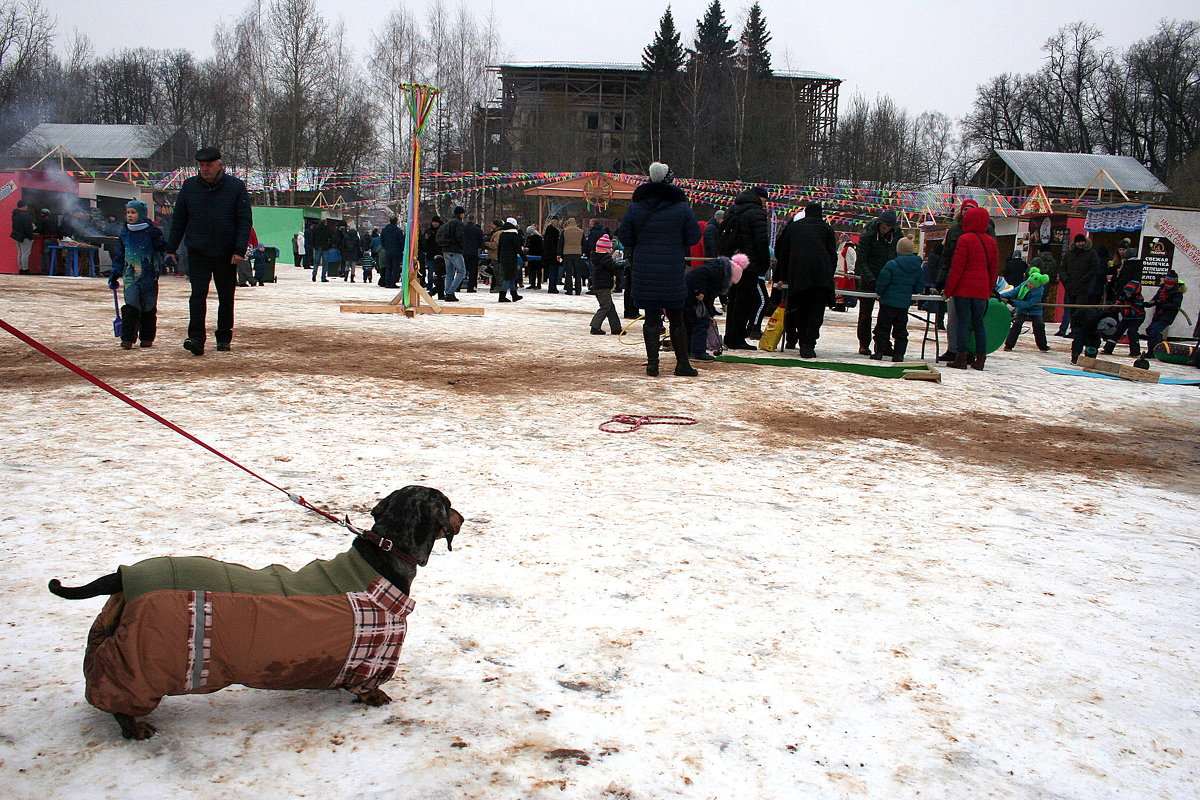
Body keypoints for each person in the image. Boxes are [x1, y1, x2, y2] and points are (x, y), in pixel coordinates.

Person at [616, 161, 702, 377]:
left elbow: (624, 236)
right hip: (672, 268)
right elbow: (693, 236)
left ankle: (653, 364)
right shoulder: (681, 207)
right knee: (677, 318)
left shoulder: (636, 207)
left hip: (645, 268)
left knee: (651, 318)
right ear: (670, 181)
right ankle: (682, 364)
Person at [165, 147, 252, 355]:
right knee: (197, 295)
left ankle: (223, 336)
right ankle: (196, 338)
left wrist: (239, 250)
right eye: (202, 166)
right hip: (198, 251)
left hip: (226, 253)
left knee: (226, 296)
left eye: (209, 165)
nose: (205, 169)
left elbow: (244, 220)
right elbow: (179, 220)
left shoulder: (235, 187)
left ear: (219, 165)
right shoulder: (189, 187)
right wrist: (171, 248)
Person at [773, 203, 837, 358]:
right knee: (816, 312)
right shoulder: (826, 229)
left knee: (800, 310)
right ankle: (809, 343)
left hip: (799, 276)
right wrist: (829, 274)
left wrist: (783, 275)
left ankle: (802, 341)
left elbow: (780, 252)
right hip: (821, 277)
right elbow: (832, 255)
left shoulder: (793, 228)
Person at [943, 204, 999, 370]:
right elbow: (993, 269)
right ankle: (980, 359)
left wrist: (949, 289)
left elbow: (957, 267)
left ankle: (961, 357)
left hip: (963, 288)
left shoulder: (964, 239)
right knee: (979, 324)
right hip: (981, 289)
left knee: (962, 323)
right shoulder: (991, 242)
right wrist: (989, 289)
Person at [108, 200, 167, 349]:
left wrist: (169, 258)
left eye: (133, 212)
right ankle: (128, 338)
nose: (129, 216)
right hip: (130, 276)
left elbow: (163, 248)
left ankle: (147, 337)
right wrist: (115, 273)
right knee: (131, 305)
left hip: (149, 275)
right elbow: (120, 255)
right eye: (128, 212)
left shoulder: (152, 231)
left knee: (148, 306)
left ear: (141, 214)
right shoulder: (125, 232)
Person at [721, 186, 771, 350]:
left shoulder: (734, 209)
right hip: (749, 263)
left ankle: (731, 335)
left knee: (734, 300)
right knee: (744, 301)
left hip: (733, 261)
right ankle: (737, 337)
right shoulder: (756, 213)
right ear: (760, 198)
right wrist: (764, 263)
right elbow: (761, 241)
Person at [870, 236, 926, 362]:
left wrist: (880, 292)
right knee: (901, 330)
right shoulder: (918, 267)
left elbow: (882, 282)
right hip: (903, 304)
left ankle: (879, 351)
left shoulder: (891, 264)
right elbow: (919, 286)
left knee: (883, 327)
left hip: (888, 303)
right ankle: (899, 354)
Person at [854, 210, 902, 356]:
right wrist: (871, 279)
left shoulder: (897, 234)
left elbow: (898, 255)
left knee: (887, 314)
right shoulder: (868, 234)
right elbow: (862, 260)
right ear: (879, 223)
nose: (885, 230)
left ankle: (883, 343)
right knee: (865, 313)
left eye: (889, 227)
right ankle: (864, 343)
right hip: (869, 277)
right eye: (884, 226)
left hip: (888, 278)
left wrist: (892, 276)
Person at [685, 254, 740, 361]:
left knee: (692, 323)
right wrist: (699, 291)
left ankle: (688, 350)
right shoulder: (715, 271)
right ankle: (697, 352)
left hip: (689, 296)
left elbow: (709, 300)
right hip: (691, 296)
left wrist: (710, 315)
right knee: (700, 323)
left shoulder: (716, 271)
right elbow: (700, 275)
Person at [1058, 234, 1100, 336]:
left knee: (1080, 310)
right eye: (1078, 242)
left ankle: (1078, 331)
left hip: (1084, 287)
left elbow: (1094, 269)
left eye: (1082, 242)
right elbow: (1063, 268)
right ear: (1075, 243)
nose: (1080, 244)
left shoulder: (1091, 253)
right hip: (1070, 287)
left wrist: (1084, 280)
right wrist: (1066, 281)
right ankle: (1073, 330)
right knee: (1071, 310)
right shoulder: (1069, 254)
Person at [1000, 270, 1051, 352]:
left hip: (1035, 309)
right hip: (1022, 308)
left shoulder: (1039, 292)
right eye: (1029, 282)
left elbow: (1028, 303)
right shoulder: (1024, 284)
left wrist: (1013, 303)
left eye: (1032, 284)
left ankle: (1043, 346)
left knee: (1039, 325)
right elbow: (1013, 292)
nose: (1029, 285)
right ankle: (1009, 345)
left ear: (1037, 285)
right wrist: (1000, 296)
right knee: (1017, 324)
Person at [1144, 272, 1186, 357]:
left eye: (1170, 284)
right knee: (1150, 330)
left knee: (1153, 331)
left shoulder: (1177, 293)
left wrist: (1160, 304)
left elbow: (1174, 306)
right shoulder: (1162, 289)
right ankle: (1158, 347)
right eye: (1166, 283)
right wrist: (1145, 304)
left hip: (1167, 316)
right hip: (1158, 314)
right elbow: (1155, 300)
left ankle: (1151, 352)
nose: (1167, 286)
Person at [588, 234, 623, 335]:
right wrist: (621, 265)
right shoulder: (605, 258)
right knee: (605, 307)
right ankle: (595, 326)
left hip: (600, 285)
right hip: (603, 285)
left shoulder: (598, 257)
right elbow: (613, 267)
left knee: (610, 307)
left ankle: (616, 328)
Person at [1102, 279, 1146, 357]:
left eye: (1129, 293)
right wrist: (1115, 307)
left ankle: (1135, 352)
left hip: (1137, 318)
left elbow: (1134, 311)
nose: (1127, 294)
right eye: (1126, 292)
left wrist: (1123, 310)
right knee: (1117, 331)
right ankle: (1108, 349)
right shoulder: (1123, 295)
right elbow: (1118, 302)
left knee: (1132, 332)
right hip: (1126, 318)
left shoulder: (1139, 299)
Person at [438, 207, 466, 301]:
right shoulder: (458, 223)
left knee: (449, 273)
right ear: (461, 214)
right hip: (455, 250)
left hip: (445, 250)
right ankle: (450, 292)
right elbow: (460, 237)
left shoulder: (448, 223)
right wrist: (462, 247)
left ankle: (448, 292)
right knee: (461, 271)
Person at [496, 217, 522, 302]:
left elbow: (499, 247)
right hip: (511, 258)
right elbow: (518, 248)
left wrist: (499, 257)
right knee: (508, 277)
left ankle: (514, 294)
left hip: (503, 257)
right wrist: (524, 258)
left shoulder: (502, 234)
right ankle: (502, 295)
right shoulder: (514, 234)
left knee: (511, 276)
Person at [10, 199, 36, 274]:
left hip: (17, 236)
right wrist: (31, 237)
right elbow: (28, 227)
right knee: (26, 253)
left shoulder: (15, 213)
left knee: (20, 253)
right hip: (25, 236)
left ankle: (21, 269)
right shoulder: (25, 215)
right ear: (24, 206)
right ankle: (25, 269)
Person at [561, 217, 585, 295]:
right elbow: (584, 243)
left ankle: (569, 289)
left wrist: (559, 254)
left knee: (568, 272)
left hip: (567, 253)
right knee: (578, 272)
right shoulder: (581, 231)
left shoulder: (565, 231)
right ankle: (578, 290)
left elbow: (561, 243)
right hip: (577, 253)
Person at [379, 217, 405, 289]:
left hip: (388, 251)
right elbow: (401, 241)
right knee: (395, 267)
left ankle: (387, 282)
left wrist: (386, 247)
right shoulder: (398, 231)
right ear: (396, 222)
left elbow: (382, 240)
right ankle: (392, 282)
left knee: (388, 267)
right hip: (397, 251)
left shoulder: (384, 230)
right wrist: (402, 249)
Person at [462, 214, 484, 293]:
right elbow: (481, 242)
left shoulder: (462, 228)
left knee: (462, 270)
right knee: (473, 271)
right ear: (474, 220)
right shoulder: (478, 230)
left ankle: (458, 286)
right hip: (473, 253)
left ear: (467, 219)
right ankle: (470, 287)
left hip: (463, 252)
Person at [542, 215, 562, 293]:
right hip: (553, 254)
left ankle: (551, 287)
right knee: (554, 271)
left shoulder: (547, 230)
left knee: (551, 271)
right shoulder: (555, 231)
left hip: (547, 254)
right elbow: (555, 244)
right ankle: (553, 287)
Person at [485, 219, 504, 292]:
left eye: (492, 224)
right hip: (495, 255)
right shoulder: (496, 233)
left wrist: (487, 243)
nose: (491, 225)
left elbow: (496, 245)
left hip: (496, 255)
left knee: (497, 272)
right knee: (496, 272)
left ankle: (498, 287)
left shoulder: (498, 234)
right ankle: (497, 286)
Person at [522, 225, 543, 289]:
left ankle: (536, 284)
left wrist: (528, 249)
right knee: (534, 270)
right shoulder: (537, 237)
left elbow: (537, 247)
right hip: (535, 255)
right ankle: (534, 283)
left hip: (535, 255)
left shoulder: (537, 238)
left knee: (535, 270)